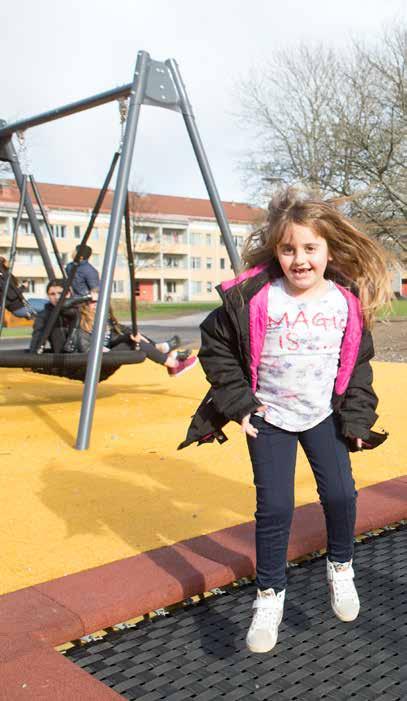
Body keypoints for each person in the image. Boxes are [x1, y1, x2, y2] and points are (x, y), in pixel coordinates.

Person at [180, 186, 392, 654]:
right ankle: (270, 596)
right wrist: (239, 405)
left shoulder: (343, 302)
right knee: (275, 508)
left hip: (322, 415)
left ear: (328, 250)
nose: (300, 259)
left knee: (339, 493)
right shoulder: (257, 298)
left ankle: (341, 569)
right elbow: (216, 348)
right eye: (288, 248)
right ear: (276, 251)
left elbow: (356, 364)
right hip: (269, 416)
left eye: (310, 248)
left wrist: (356, 420)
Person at [74, 290, 197, 377]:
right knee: (133, 343)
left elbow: (124, 332)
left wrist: (134, 335)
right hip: (95, 360)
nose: (97, 305)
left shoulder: (106, 320)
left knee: (133, 336)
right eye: (93, 302)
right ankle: (172, 362)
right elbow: (85, 347)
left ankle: (166, 353)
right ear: (86, 304)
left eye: (100, 301)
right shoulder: (81, 320)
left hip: (108, 355)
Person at [29, 279, 85, 353]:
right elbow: (36, 342)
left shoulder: (82, 310)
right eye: (52, 294)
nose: (57, 297)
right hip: (62, 358)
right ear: (48, 296)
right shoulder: (44, 315)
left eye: (60, 293)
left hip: (87, 355)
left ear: (68, 294)